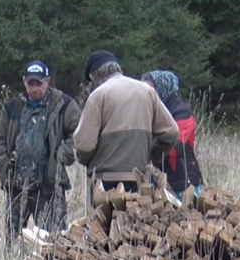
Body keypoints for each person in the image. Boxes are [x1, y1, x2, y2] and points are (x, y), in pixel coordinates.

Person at [0, 60, 82, 242]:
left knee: (55, 242)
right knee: (13, 242)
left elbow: (79, 133)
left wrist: (60, 157)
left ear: (47, 81)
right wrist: (4, 169)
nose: (34, 88)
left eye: (38, 84)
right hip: (17, 186)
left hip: (49, 186)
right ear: (24, 81)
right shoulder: (12, 108)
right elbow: (0, 142)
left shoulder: (63, 104)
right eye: (30, 83)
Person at [73, 50, 178, 201]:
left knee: (103, 224)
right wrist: (152, 154)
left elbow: (84, 145)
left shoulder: (98, 95)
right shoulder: (147, 91)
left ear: (97, 76)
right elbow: (172, 132)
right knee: (136, 223)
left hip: (105, 181)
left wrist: (88, 161)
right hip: (140, 179)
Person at [141, 70, 204, 198]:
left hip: (184, 182)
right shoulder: (149, 112)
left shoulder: (183, 114)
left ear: (162, 89)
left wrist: (145, 148)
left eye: (150, 90)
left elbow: (174, 147)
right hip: (159, 181)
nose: (146, 94)